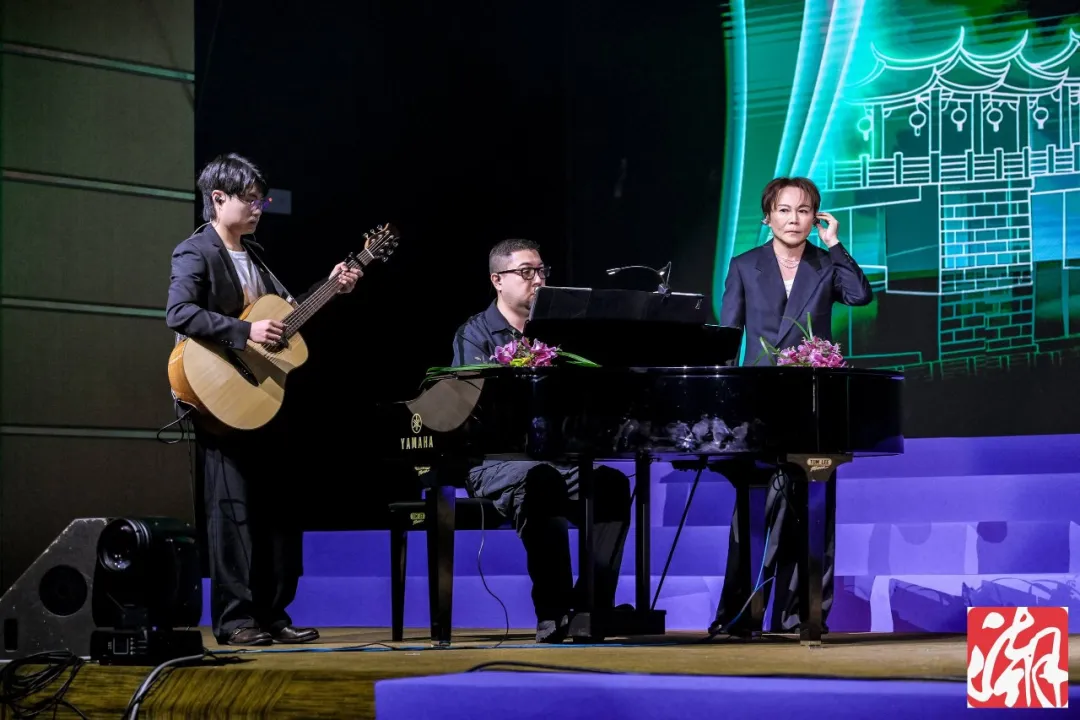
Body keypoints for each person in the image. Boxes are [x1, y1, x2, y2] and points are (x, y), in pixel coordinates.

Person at [166, 153, 362, 646]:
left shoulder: (255, 257)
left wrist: (331, 288)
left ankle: (274, 612)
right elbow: (179, 312)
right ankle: (235, 620)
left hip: (263, 398)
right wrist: (245, 330)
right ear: (218, 199)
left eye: (261, 200)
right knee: (231, 514)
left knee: (279, 511)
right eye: (249, 199)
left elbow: (288, 317)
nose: (258, 208)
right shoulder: (195, 251)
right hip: (219, 399)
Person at [451, 238, 633, 643]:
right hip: (496, 463)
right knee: (541, 480)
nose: (538, 280)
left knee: (612, 485)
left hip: (556, 458)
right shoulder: (475, 334)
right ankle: (553, 612)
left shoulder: (556, 331)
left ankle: (590, 607)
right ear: (497, 280)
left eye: (541, 271)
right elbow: (468, 407)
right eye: (526, 272)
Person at [712, 176, 872, 634]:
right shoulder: (745, 265)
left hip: (812, 405)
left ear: (815, 217)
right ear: (768, 217)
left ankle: (803, 615)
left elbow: (860, 296)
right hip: (758, 405)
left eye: (804, 210)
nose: (794, 219)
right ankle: (740, 615)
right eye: (784, 210)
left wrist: (835, 244)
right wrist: (724, 405)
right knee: (754, 512)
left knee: (815, 507)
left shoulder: (825, 262)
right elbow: (729, 338)